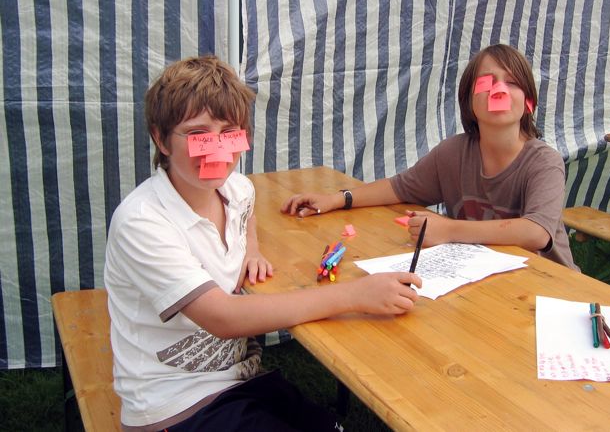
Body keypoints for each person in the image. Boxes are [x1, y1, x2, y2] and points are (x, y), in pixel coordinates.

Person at [104, 56, 421, 431]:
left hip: (239, 377)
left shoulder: (237, 189)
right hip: (175, 406)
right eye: (198, 134)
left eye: (230, 132)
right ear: (161, 139)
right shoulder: (142, 221)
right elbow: (223, 318)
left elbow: (248, 209)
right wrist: (355, 295)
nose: (217, 149)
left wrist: (250, 249)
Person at [282, 44, 578, 270]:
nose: (499, 89)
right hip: (486, 281)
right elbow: (399, 187)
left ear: (529, 101)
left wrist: (448, 230)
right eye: (487, 82)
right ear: (468, 101)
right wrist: (337, 199)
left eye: (512, 82)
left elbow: (536, 233)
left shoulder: (544, 162)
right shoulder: (453, 154)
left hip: (553, 291)